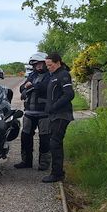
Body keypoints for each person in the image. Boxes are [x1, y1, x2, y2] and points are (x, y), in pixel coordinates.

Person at [14, 52, 51, 170]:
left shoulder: (50, 75)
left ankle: (44, 163)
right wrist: (26, 87)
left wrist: (32, 86)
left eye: (40, 64)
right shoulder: (32, 75)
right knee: (25, 137)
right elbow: (21, 88)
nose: (38, 67)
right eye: (36, 65)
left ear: (45, 63)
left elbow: (45, 87)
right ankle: (26, 161)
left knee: (45, 138)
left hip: (44, 113)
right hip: (29, 112)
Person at [42, 52, 74, 182]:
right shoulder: (53, 75)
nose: (48, 67)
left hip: (62, 115)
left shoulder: (63, 75)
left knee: (55, 143)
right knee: (54, 143)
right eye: (47, 65)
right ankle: (57, 172)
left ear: (57, 62)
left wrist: (54, 106)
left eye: (50, 65)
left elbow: (69, 94)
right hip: (54, 115)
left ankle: (57, 174)